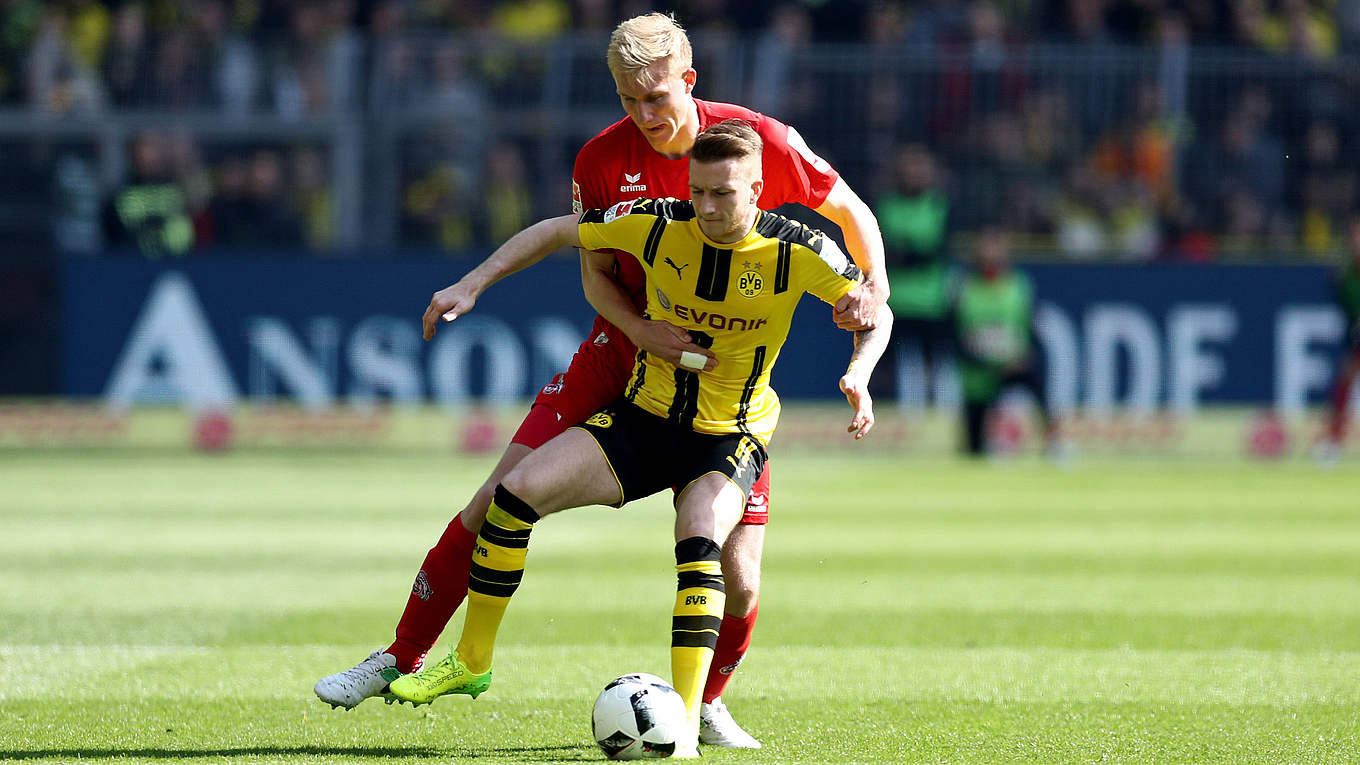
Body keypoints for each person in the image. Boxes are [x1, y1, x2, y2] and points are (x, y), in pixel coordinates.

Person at [313, 12, 889, 749]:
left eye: (657, 97)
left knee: (739, 574)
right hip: (620, 359)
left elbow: (850, 209)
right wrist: (637, 329)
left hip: (724, 392)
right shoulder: (602, 160)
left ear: (689, 80)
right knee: (495, 499)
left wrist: (872, 289)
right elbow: (591, 271)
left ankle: (704, 704)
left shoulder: (759, 142)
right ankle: (403, 655)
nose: (644, 115)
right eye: (628, 99)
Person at [953, 228, 1061, 457]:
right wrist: (987, 361)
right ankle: (991, 441)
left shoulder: (1018, 285)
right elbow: (956, 338)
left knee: (1037, 380)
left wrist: (1021, 357)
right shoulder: (965, 288)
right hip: (979, 373)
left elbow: (1030, 330)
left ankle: (1054, 443)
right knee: (974, 450)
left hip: (1014, 364)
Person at [1316, 211, 1360, 466]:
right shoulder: (1344, 273)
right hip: (1356, 336)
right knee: (1345, 383)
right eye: (1356, 236)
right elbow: (1349, 309)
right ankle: (1334, 441)